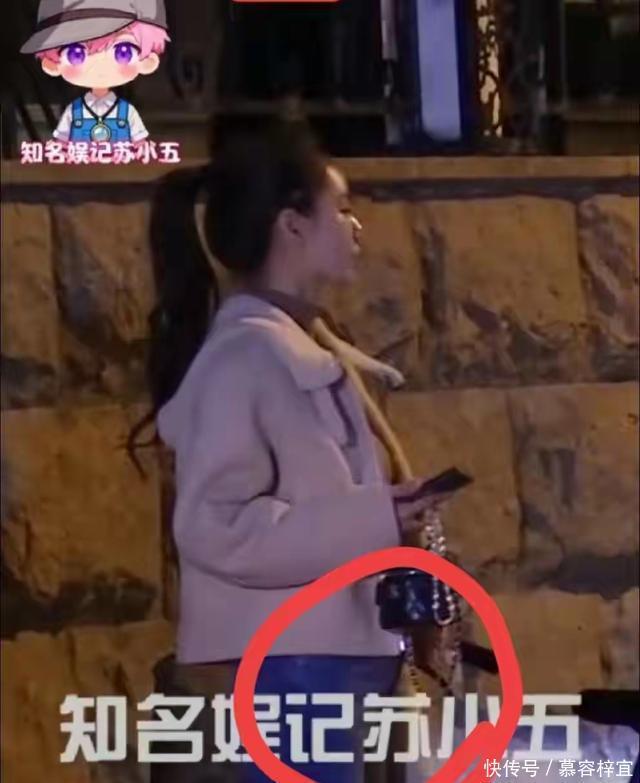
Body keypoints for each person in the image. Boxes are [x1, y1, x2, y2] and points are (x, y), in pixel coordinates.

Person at [130, 124, 446, 783]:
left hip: (330, 661)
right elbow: (216, 525)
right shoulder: (247, 358)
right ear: (292, 225)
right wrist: (375, 516)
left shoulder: (303, 349)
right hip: (289, 669)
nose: (357, 226)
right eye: (343, 208)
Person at [21, 0, 170, 143]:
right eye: (75, 54)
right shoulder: (74, 111)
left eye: (123, 53)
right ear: (52, 65)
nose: (100, 65)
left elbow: (140, 142)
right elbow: (61, 142)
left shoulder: (127, 111)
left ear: (147, 62)